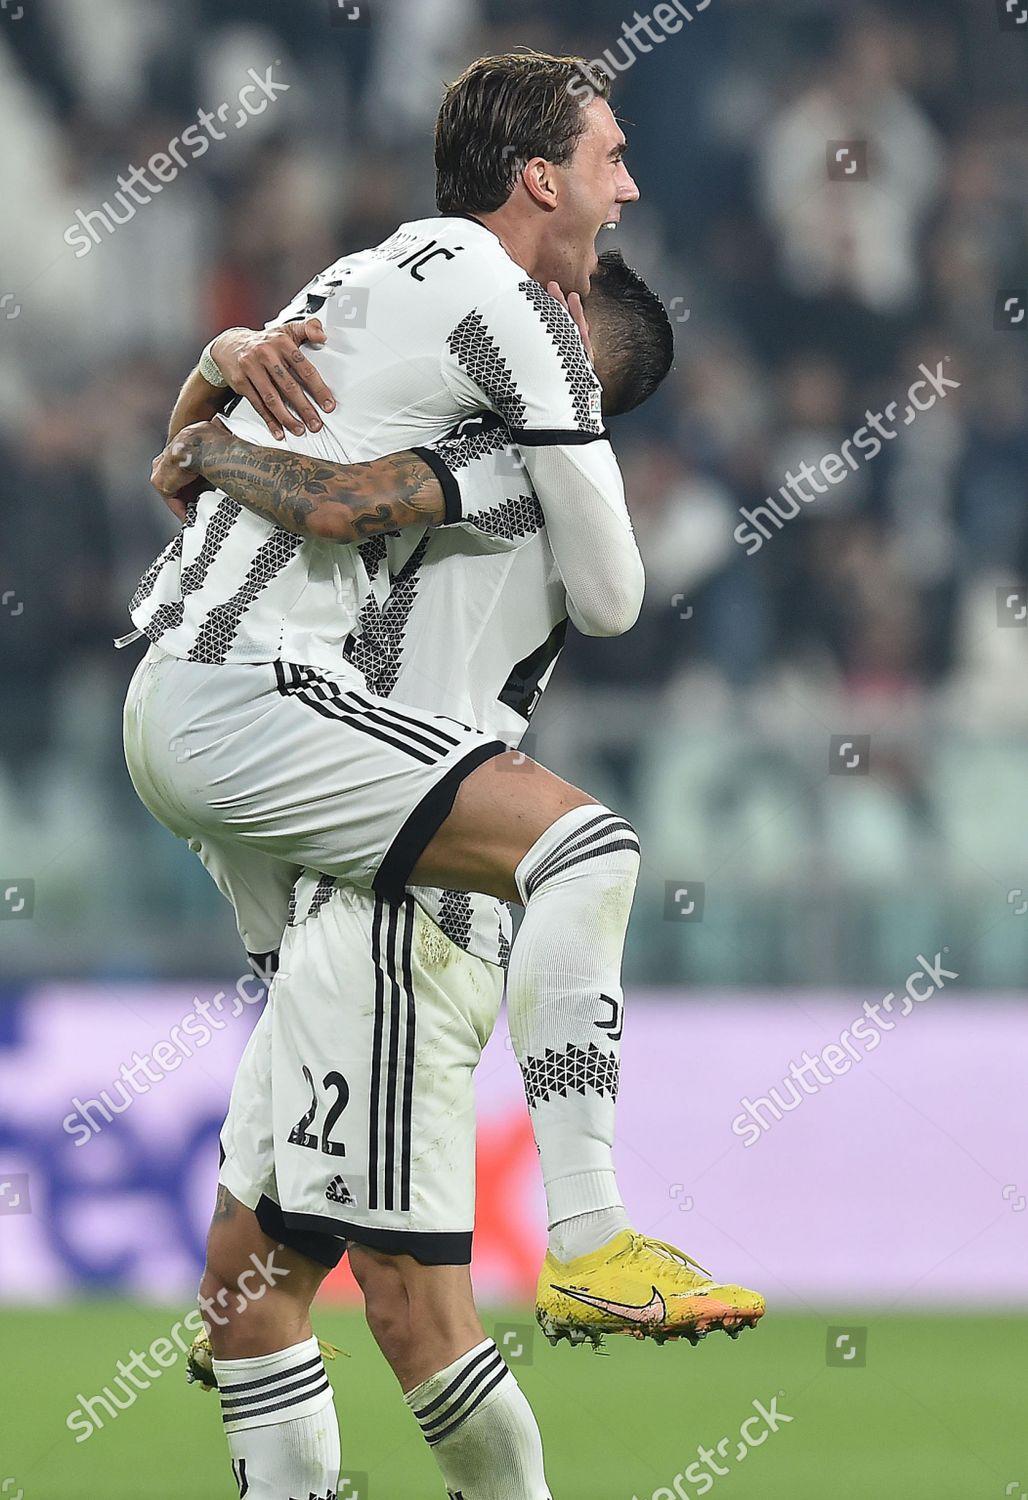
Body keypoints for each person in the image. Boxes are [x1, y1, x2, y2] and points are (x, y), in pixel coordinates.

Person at [146, 256, 760, 1500]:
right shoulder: (520, 463)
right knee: (247, 1290)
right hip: (365, 871)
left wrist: (205, 437)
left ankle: (583, 1248)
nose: (506, 312)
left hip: (402, 905)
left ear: (572, 353)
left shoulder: (505, 462)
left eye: (543, 306)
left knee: (410, 1304)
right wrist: (219, 366)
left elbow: (326, 499)